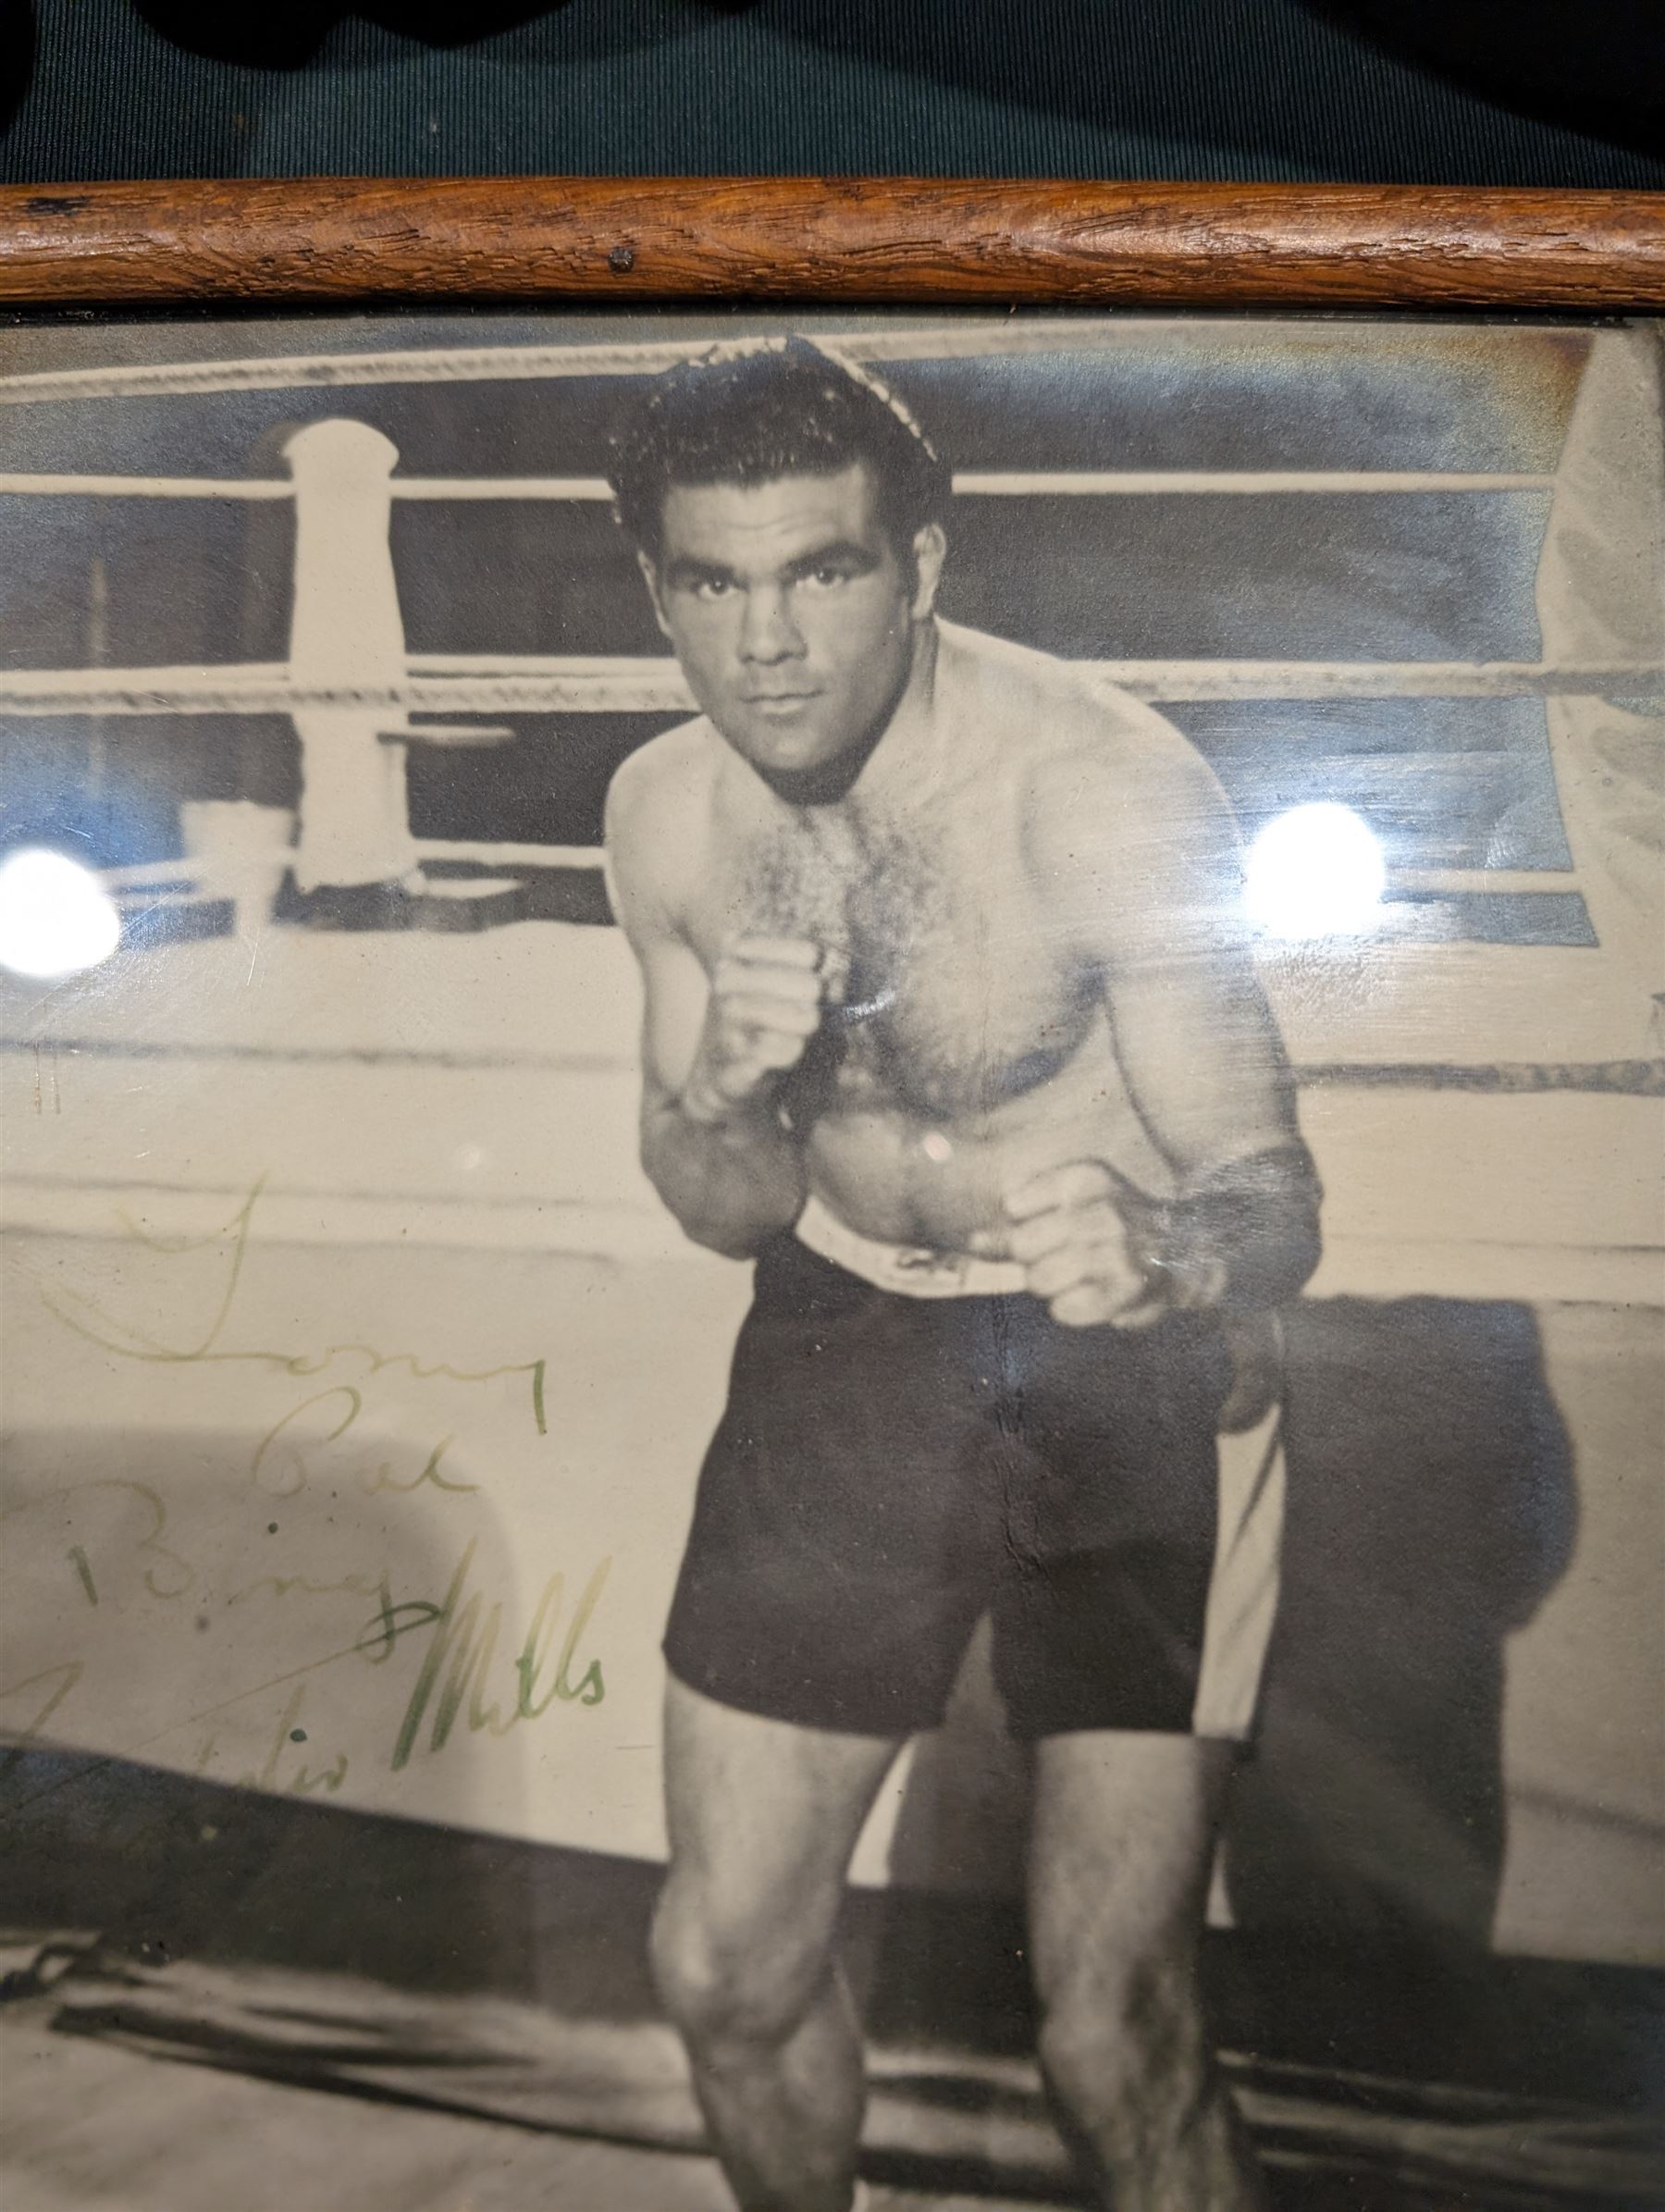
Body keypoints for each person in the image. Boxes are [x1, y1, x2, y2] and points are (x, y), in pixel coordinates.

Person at [603, 337, 1322, 2212]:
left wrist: (1173, 1248)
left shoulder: (1098, 786)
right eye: (715, 584)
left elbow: (1274, 1193)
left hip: (1139, 1368)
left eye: (823, 571)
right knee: (725, 1968)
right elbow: (720, 1202)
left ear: (919, 563)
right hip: (847, 1335)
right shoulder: (670, 815)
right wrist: (725, 1088)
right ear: (658, 591)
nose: (768, 646)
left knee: (1111, 2029)